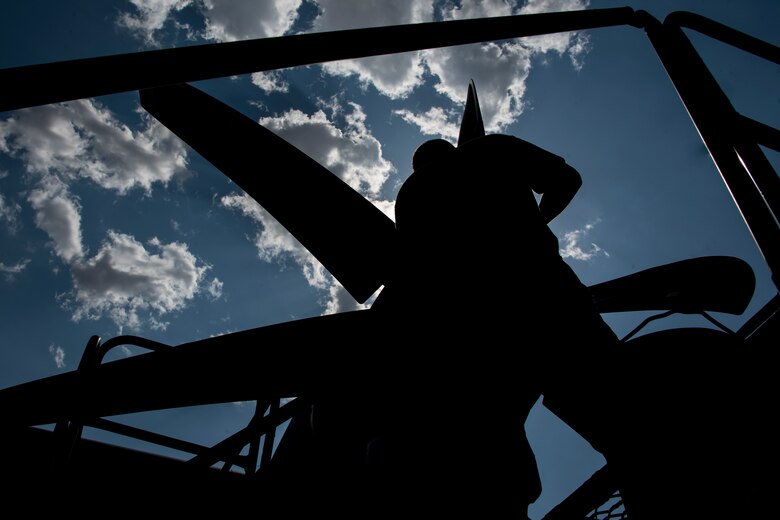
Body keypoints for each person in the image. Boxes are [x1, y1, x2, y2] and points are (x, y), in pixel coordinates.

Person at [362, 134, 621, 517]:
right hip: (546, 295)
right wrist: (534, 222)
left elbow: (411, 276)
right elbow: (568, 179)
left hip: (472, 331)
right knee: (616, 407)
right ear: (452, 148)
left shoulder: (409, 195)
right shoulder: (491, 149)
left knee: (490, 442)